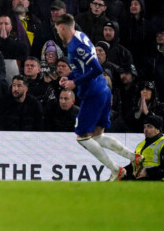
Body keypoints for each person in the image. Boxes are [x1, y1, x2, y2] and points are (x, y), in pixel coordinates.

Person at [55, 14, 143, 181]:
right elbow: (84, 67)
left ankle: (116, 170)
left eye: (58, 29)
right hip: (103, 90)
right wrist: (70, 76)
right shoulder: (81, 36)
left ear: (63, 28)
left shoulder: (76, 46)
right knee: (97, 135)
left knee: (82, 137)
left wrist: (75, 83)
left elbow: (96, 68)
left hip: (93, 93)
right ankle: (134, 158)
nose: (58, 33)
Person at [120, 115, 164, 181]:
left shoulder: (162, 143)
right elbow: (133, 166)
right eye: (145, 127)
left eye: (149, 126)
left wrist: (148, 173)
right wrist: (121, 171)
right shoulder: (140, 145)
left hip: (158, 182)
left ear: (158, 130)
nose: (145, 130)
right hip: (142, 180)